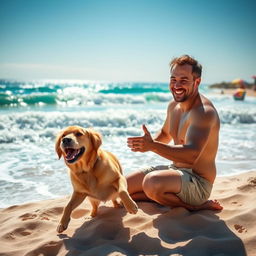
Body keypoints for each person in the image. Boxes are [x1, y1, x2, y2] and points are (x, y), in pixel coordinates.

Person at [126, 55, 223, 211]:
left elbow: (191, 156)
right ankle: (160, 195)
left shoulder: (204, 113)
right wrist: (147, 143)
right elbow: (165, 134)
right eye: (173, 79)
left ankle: (197, 206)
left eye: (183, 80)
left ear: (197, 82)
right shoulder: (173, 106)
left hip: (197, 181)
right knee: (121, 188)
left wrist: (153, 146)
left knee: (152, 183)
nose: (177, 85)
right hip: (174, 171)